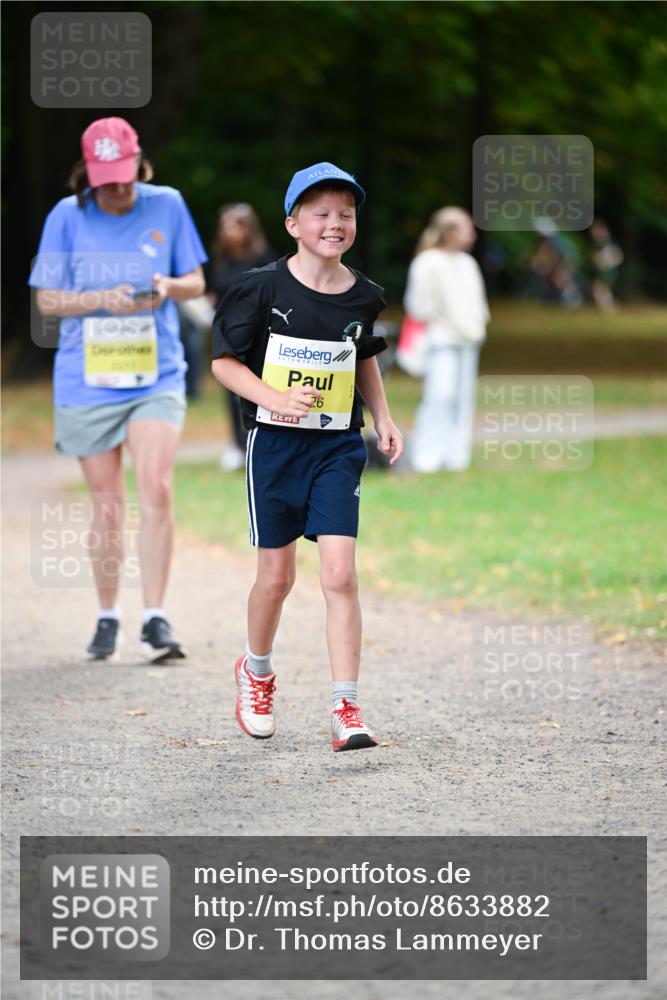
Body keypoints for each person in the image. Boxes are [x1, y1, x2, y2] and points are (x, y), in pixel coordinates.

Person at [211, 161, 403, 752]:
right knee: (277, 577)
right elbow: (223, 362)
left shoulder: (364, 294)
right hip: (273, 447)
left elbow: (362, 354)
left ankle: (345, 704)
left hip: (337, 447)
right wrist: (274, 398)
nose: (335, 224)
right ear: (293, 222)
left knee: (341, 574)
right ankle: (257, 671)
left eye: (345, 215)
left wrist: (384, 416)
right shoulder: (260, 287)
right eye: (321, 213)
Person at [29, 117, 207, 662]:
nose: (118, 188)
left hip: (155, 374)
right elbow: (47, 301)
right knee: (107, 507)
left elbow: (196, 282)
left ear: (139, 166)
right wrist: (102, 297)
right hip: (88, 379)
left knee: (157, 488)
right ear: (88, 175)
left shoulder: (168, 204)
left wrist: (165, 289)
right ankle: (108, 616)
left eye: (126, 176)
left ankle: (155, 617)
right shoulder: (66, 216)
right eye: (106, 180)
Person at [404, 206, 489, 472]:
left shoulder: (468, 263)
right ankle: (426, 455)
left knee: (463, 399)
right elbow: (419, 305)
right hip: (441, 340)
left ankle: (456, 456)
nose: (472, 235)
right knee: (440, 396)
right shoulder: (427, 261)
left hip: (468, 340)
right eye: (466, 229)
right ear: (449, 231)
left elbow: (478, 304)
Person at [207, 203, 274, 470]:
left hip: (257, 333)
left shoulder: (263, 257)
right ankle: (237, 444)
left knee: (254, 386)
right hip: (227, 333)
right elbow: (214, 292)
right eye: (225, 227)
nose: (229, 232)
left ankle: (257, 440)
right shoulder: (221, 260)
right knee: (230, 390)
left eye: (235, 226)